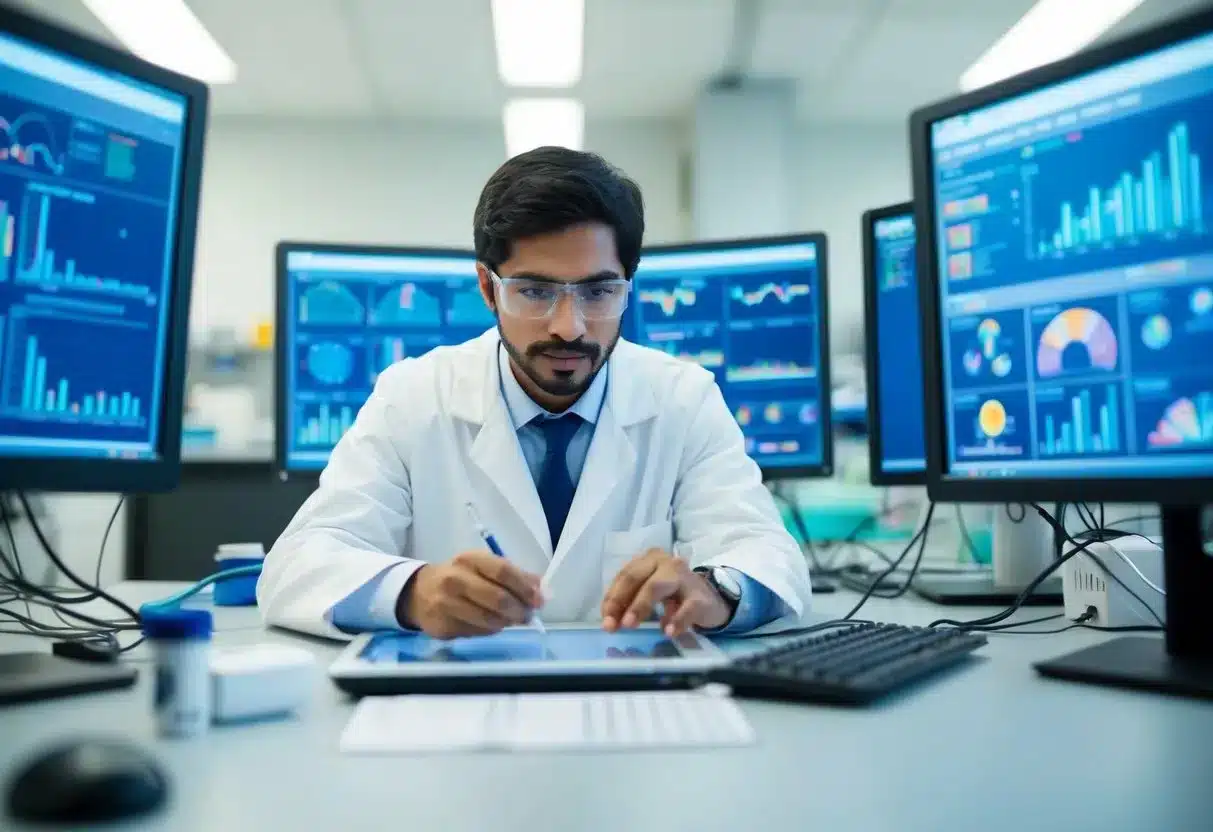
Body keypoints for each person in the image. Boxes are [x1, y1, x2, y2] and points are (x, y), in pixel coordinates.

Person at [258, 147, 813, 641]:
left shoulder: (683, 399)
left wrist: (713, 592)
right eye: (536, 291)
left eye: (598, 291)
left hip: (632, 706)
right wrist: (413, 593)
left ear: (627, 288)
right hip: (459, 705)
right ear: (487, 288)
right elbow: (298, 563)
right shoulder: (412, 398)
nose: (569, 326)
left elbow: (765, 550)